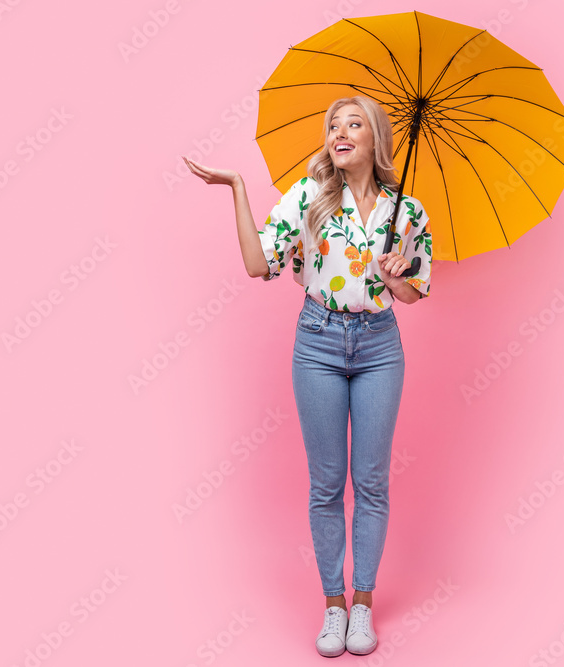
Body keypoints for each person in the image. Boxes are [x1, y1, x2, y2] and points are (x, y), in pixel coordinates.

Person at [183, 95, 432, 658]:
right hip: (317, 341)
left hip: (379, 347)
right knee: (326, 485)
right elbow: (257, 264)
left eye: (353, 123)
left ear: (376, 141)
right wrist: (239, 189)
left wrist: (396, 277)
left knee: (371, 481)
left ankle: (362, 605)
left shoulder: (407, 212)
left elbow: (415, 294)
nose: (339, 131)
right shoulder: (309, 197)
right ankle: (333, 609)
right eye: (333, 125)